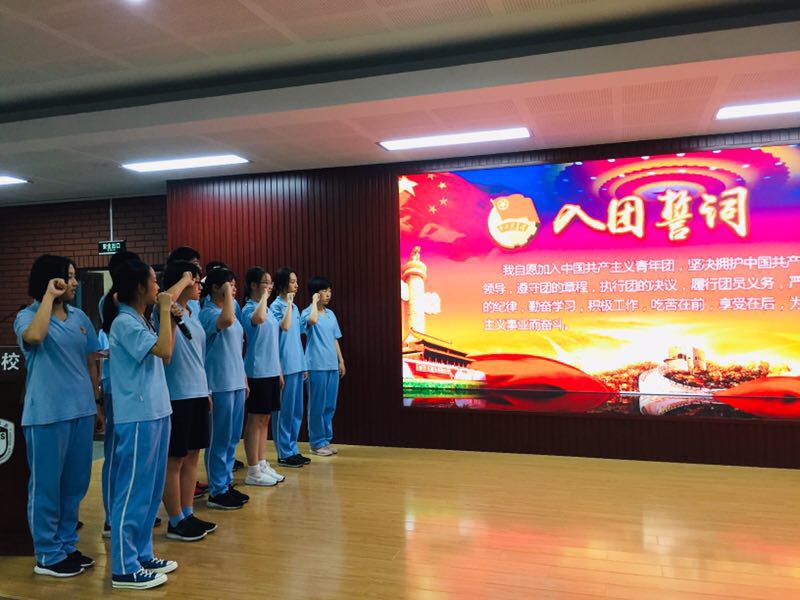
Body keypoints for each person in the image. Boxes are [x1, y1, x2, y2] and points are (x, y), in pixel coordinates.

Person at [14, 255, 102, 578]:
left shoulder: (80, 316)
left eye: (75, 276)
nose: (75, 282)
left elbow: (91, 360)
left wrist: (97, 403)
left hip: (81, 410)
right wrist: (48, 299)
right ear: (52, 280)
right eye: (69, 276)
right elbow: (34, 338)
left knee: (74, 486)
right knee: (47, 487)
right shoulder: (27, 316)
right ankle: (47, 554)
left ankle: (65, 545)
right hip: (46, 415)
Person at [104, 259, 179, 590]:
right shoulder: (124, 323)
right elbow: (163, 348)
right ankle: (123, 567)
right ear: (139, 287)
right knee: (132, 490)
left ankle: (142, 554)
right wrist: (164, 310)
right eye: (153, 281)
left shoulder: (141, 320)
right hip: (137, 417)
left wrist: (165, 316)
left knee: (150, 492)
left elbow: (167, 353)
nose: (158, 287)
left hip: (157, 412)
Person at [157, 261, 217, 540]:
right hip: (177, 394)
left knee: (193, 456)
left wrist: (206, 391)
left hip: (197, 391)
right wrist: (184, 278)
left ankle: (188, 512)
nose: (199, 286)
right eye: (195, 280)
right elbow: (165, 297)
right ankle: (175, 519)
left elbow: (198, 357)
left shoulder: (193, 312)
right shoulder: (165, 310)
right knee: (175, 459)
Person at [99, 249, 142, 538]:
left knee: (130, 455)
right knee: (115, 452)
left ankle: (127, 512)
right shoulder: (113, 302)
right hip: (116, 386)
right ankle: (111, 516)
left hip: (132, 388)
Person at [200, 267, 250, 509]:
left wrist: (244, 379)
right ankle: (216, 490)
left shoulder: (230, 311)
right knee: (218, 439)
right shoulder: (208, 313)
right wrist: (228, 295)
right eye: (230, 284)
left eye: (235, 285)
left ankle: (226, 483)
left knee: (231, 437)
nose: (234, 289)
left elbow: (237, 348)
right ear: (215, 288)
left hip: (236, 382)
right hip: (218, 384)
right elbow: (227, 320)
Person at [240, 267, 285, 486]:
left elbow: (274, 342)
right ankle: (253, 470)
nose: (269, 286)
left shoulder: (267, 309)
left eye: (270, 283)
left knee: (265, 418)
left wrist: (279, 370)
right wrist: (266, 296)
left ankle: (262, 462)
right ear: (253, 285)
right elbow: (257, 319)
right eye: (265, 283)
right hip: (256, 371)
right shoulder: (248, 308)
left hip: (271, 370)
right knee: (255, 419)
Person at [269, 267, 309, 468]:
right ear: (283, 284)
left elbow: (297, 337)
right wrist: (289, 305)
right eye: (293, 282)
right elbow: (283, 327)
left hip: (297, 364)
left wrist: (303, 364)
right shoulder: (276, 306)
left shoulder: (295, 307)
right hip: (284, 365)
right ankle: (283, 452)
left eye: (296, 281)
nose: (296, 285)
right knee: (283, 411)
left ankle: (293, 448)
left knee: (296, 411)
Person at [301, 277, 345, 457]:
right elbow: (311, 321)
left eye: (329, 291)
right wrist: (313, 302)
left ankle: (326, 439)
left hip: (331, 365)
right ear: (316, 293)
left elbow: (334, 338)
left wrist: (341, 361)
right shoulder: (307, 312)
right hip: (315, 365)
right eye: (325, 290)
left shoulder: (331, 314)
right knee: (316, 406)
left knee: (329, 405)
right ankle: (316, 443)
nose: (328, 294)